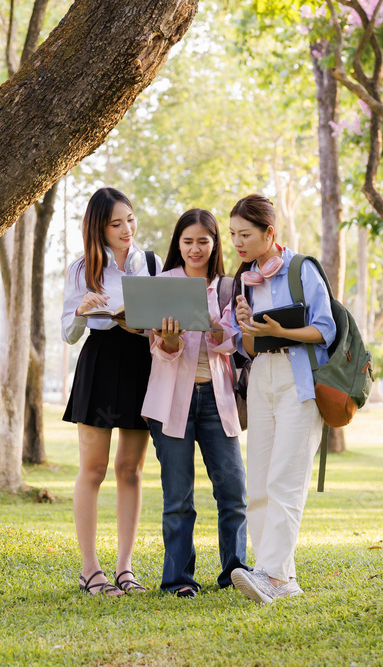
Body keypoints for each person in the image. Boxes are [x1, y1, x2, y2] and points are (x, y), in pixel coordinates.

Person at [227, 193, 336, 605]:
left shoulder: (301, 268)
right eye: (233, 234)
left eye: (245, 234)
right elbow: (249, 349)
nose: (237, 242)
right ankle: (279, 576)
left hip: (298, 377)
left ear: (269, 232)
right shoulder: (245, 279)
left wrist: (280, 331)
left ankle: (272, 575)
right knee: (258, 484)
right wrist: (247, 328)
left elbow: (324, 329)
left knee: (285, 480)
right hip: (262, 377)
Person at [141, 209, 250, 599]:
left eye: (203, 241)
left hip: (217, 401)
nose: (195, 249)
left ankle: (235, 572)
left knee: (233, 491)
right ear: (178, 244)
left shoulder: (227, 287)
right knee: (178, 497)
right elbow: (159, 349)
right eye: (187, 241)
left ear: (215, 244)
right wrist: (170, 340)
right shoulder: (163, 284)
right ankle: (178, 580)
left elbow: (232, 345)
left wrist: (216, 328)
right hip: (171, 401)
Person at [62, 187, 161, 597]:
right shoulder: (81, 269)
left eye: (130, 220)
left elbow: (160, 321)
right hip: (100, 362)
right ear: (99, 228)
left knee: (130, 469)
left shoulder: (151, 264)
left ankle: (124, 568)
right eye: (116, 223)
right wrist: (81, 311)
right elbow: (68, 333)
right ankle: (90, 570)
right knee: (94, 468)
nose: (126, 229)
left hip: (141, 362)